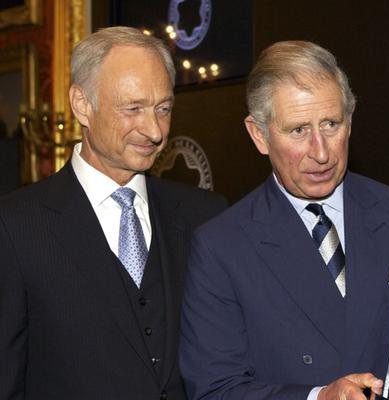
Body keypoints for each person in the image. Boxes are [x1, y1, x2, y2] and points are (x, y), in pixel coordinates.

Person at [178, 40, 389, 400]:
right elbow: (216, 390)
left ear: (350, 122)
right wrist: (318, 397)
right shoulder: (221, 247)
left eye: (331, 124)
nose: (321, 152)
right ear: (259, 135)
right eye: (298, 130)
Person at [0, 27, 227, 399]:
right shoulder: (14, 227)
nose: (154, 130)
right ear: (82, 104)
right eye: (133, 108)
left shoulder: (205, 215)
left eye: (164, 109)